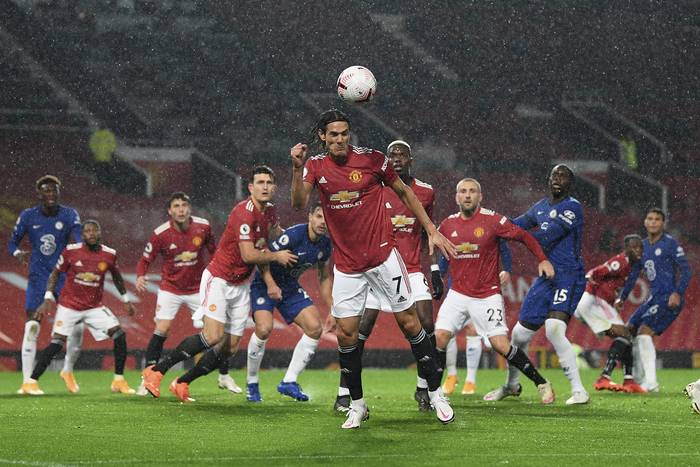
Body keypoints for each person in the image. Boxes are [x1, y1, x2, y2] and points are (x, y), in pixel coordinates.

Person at [291, 109, 456, 429]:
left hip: (384, 260)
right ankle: (357, 404)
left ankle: (435, 394)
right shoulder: (315, 166)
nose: (340, 139)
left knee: (411, 324)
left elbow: (406, 192)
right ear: (323, 137)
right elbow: (299, 203)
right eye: (334, 134)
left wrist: (431, 230)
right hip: (348, 268)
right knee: (346, 334)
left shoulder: (372, 160)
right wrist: (296, 168)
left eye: (344, 133)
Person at [142, 166, 296, 402]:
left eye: (268, 182)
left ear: (273, 187)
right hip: (220, 279)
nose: (265, 186)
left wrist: (293, 242)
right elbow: (248, 255)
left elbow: (268, 240)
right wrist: (277, 256)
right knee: (212, 336)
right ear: (251, 188)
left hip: (241, 284)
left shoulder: (271, 212)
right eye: (260, 182)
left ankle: (182, 382)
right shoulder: (243, 213)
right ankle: (158, 371)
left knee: (230, 347)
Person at [333, 139, 443, 412]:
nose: (396, 159)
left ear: (410, 160)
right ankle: (344, 393)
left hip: (413, 269)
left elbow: (430, 232)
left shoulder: (426, 192)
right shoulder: (375, 189)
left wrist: (436, 269)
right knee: (358, 332)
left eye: (401, 155)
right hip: (376, 268)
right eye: (391, 155)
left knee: (427, 325)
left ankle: (424, 389)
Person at [433, 178, 556, 405]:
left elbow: (524, 236)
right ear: (456, 197)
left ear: (480, 196)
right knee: (439, 337)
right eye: (463, 191)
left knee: (500, 344)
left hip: (486, 295)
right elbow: (438, 249)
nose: (467, 195)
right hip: (458, 294)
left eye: (472, 191)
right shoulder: (448, 225)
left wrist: (543, 259)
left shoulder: (493, 220)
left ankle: (541, 382)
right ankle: (432, 393)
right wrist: (437, 275)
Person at [484, 164, 590, 405]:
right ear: (548, 179)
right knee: (519, 334)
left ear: (570, 184)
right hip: (546, 278)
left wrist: (514, 234)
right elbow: (514, 224)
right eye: (555, 175)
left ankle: (579, 391)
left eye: (563, 176)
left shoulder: (572, 208)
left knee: (554, 328)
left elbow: (546, 235)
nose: (558, 179)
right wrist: (493, 226)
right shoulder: (540, 207)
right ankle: (511, 385)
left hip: (569, 275)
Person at [133, 192, 240, 395]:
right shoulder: (160, 233)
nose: (181, 209)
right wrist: (140, 275)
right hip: (170, 288)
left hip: (197, 289)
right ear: (169, 211)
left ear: (189, 208)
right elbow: (145, 259)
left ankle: (224, 376)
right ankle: (147, 378)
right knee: (162, 329)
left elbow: (215, 251)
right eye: (176, 206)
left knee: (216, 333)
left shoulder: (203, 226)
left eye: (184, 205)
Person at [20, 220, 136, 394]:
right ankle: (30, 382)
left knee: (119, 335)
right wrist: (48, 298)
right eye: (87, 231)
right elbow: (55, 273)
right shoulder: (71, 251)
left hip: (94, 307)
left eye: (94, 230)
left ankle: (118, 380)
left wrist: (126, 299)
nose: (91, 233)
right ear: (82, 235)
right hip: (69, 306)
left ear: (100, 233)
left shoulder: (109, 254)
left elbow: (117, 277)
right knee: (57, 344)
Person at [246, 202, 333, 402]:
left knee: (314, 328)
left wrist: (332, 308)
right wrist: (270, 285)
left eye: (326, 218)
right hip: (264, 282)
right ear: (310, 217)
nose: (322, 222)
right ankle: (252, 383)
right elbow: (262, 258)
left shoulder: (325, 245)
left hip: (289, 286)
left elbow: (324, 276)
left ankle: (289, 382)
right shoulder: (293, 235)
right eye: (319, 216)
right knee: (264, 328)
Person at [8, 175, 85, 394]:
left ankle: (67, 370)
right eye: (46, 191)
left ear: (59, 192)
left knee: (78, 327)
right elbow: (12, 242)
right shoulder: (28, 215)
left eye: (54, 190)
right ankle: (27, 382)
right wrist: (17, 253)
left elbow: (78, 240)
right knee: (32, 327)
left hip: (63, 277)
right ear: (39, 194)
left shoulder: (69, 214)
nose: (50, 194)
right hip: (38, 278)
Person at [615, 208, 692, 392]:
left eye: (657, 219)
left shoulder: (670, 244)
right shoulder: (640, 246)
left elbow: (687, 270)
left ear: (663, 223)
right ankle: (637, 378)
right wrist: (622, 298)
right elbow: (633, 275)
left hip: (668, 297)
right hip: (652, 298)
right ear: (645, 222)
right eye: (650, 218)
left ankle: (651, 382)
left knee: (643, 333)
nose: (653, 222)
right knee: (628, 330)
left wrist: (678, 292)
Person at [574, 235, 645, 393]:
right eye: (634, 247)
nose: (638, 250)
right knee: (624, 334)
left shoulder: (631, 265)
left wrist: (616, 300)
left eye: (640, 247)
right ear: (626, 249)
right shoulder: (620, 262)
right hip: (594, 301)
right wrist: (591, 287)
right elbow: (594, 273)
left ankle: (628, 380)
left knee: (626, 337)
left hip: (601, 302)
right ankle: (604, 378)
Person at [441, 249, 511, 396]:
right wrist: (440, 273)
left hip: (479, 289)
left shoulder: (487, 227)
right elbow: (445, 249)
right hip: (457, 287)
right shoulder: (454, 227)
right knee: (448, 331)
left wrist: (507, 269)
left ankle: (470, 380)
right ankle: (452, 375)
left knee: (473, 330)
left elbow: (503, 245)